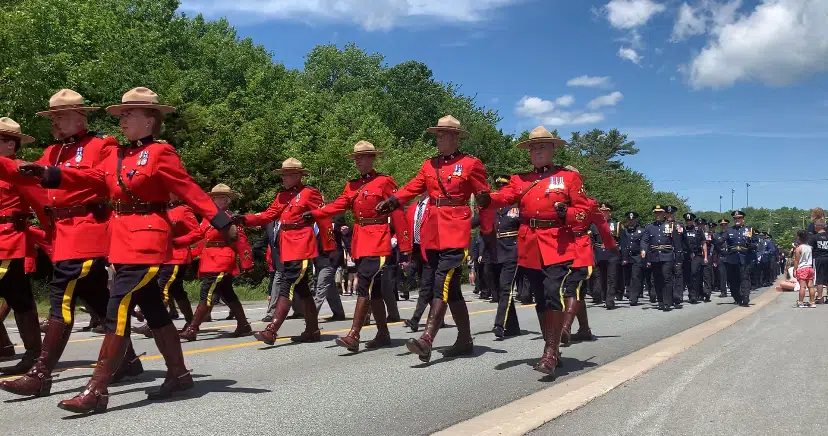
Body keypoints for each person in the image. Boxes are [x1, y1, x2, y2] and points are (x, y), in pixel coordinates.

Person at [15, 87, 239, 413]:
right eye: (120, 115)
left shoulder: (161, 153)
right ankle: (178, 373)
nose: (122, 120)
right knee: (154, 309)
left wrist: (222, 222)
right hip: (122, 243)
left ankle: (96, 389)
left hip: (148, 242)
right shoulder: (117, 154)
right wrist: (50, 173)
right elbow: (90, 178)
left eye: (129, 114)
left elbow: (189, 191)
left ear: (150, 119)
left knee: (116, 310)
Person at [0, 91, 143, 396]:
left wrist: (53, 173)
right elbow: (26, 178)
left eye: (60, 116)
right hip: (64, 234)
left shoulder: (102, 144)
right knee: (99, 302)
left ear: (80, 116)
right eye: (51, 117)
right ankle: (128, 360)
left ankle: (40, 374)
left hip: (86, 231)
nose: (54, 122)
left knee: (60, 299)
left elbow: (99, 179)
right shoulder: (52, 151)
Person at [376, 115, 493, 363]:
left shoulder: (471, 164)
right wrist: (395, 200)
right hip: (433, 232)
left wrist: (488, 229)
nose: (438, 139)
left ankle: (427, 339)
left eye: (443, 135)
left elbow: (485, 198)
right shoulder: (430, 165)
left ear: (455, 137)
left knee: (443, 284)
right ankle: (465, 340)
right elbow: (414, 186)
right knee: (453, 294)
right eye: (437, 135)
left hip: (456, 230)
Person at [481, 126, 590, 375]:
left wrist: (568, 213)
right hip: (530, 243)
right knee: (540, 297)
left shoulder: (569, 178)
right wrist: (488, 198)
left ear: (553, 149)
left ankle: (550, 353)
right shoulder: (519, 179)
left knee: (553, 292)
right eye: (533, 147)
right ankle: (552, 348)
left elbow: (583, 213)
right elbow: (505, 196)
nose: (537, 151)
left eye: (542, 146)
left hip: (558, 243)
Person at [306, 140, 411, 352]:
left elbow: (398, 213)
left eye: (363, 157)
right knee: (376, 292)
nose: (359, 161)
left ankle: (354, 334)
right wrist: (316, 213)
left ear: (373, 159)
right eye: (356, 158)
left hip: (379, 239)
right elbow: (337, 205)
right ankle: (383, 334)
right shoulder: (351, 185)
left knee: (364, 284)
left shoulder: (384, 182)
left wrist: (405, 244)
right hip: (361, 240)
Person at [235, 158, 336, 345]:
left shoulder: (310, 193)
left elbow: (323, 218)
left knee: (287, 285)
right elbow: (267, 215)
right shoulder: (282, 196)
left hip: (302, 245)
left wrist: (329, 246)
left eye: (287, 174)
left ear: (297, 175)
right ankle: (313, 330)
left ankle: (271, 330)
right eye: (282, 174)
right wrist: (245, 219)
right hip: (287, 245)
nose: (283, 178)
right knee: (302, 290)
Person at [178, 184, 253, 341]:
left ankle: (192, 328)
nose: (216, 200)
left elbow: (242, 242)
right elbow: (198, 234)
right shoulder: (208, 217)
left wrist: (246, 262)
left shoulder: (230, 218)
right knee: (227, 293)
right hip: (210, 259)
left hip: (222, 259)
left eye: (220, 197)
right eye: (214, 197)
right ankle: (244, 324)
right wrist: (176, 242)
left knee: (207, 293)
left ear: (226, 200)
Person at [0, 118, 42, 375]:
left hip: (10, 242)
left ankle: (35, 353)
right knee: (17, 297)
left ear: (10, 145)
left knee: (20, 298)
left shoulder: (21, 171)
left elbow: (41, 204)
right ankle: (5, 346)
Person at [134, 192, 201, 336]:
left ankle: (153, 325)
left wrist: (179, 241)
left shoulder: (183, 210)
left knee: (161, 289)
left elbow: (198, 232)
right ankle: (191, 322)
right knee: (176, 290)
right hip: (162, 257)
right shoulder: (159, 210)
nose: (168, 195)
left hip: (177, 256)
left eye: (172, 193)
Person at [561, 195, 616, 346]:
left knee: (573, 287)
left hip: (581, 249)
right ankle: (584, 330)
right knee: (579, 291)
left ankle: (565, 328)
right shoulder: (555, 202)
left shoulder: (589, 204)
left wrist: (610, 245)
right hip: (560, 249)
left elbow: (603, 225)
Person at [485, 175, 521, 339]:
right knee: (499, 289)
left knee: (506, 288)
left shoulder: (516, 207)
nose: (501, 190)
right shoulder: (492, 208)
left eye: (503, 187)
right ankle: (513, 326)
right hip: (495, 252)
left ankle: (499, 325)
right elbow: (477, 220)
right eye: (498, 187)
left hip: (512, 250)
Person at [402, 196, 431, 332]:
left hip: (431, 249)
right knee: (425, 285)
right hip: (416, 250)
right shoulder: (413, 207)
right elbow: (406, 227)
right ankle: (439, 318)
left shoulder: (434, 203)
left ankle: (415, 319)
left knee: (425, 286)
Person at [641, 205, 677, 311]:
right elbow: (645, 240)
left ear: (664, 214)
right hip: (654, 255)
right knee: (657, 279)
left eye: (660, 213)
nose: (657, 215)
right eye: (656, 213)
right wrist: (643, 250)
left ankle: (667, 302)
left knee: (666, 277)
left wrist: (678, 257)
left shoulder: (670, 225)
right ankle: (660, 301)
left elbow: (676, 242)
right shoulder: (649, 227)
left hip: (667, 255)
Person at [719, 210, 757, 307]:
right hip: (732, 258)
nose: (737, 220)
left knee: (744, 277)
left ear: (743, 219)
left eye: (739, 218)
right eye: (735, 218)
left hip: (745, 257)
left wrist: (751, 245)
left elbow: (756, 243)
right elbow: (721, 240)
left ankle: (745, 297)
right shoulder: (729, 230)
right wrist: (721, 250)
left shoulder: (748, 230)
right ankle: (737, 297)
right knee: (733, 280)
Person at [591, 203, 621, 309]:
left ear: (610, 212)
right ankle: (603, 296)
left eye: (606, 211)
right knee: (601, 278)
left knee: (611, 278)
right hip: (599, 254)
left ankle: (610, 300)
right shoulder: (594, 225)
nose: (603, 213)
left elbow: (622, 241)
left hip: (612, 254)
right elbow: (592, 242)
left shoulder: (616, 224)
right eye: (602, 211)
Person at [682, 213, 707, 304]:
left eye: (690, 220)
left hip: (696, 255)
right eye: (687, 220)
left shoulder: (698, 230)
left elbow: (704, 243)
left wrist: (705, 256)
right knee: (687, 275)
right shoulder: (682, 230)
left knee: (694, 273)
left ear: (693, 221)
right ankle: (690, 293)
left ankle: (694, 294)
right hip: (686, 255)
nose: (689, 222)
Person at [621, 211, 646, 305]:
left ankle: (634, 297)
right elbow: (623, 245)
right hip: (627, 256)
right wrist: (623, 257)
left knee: (636, 276)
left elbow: (643, 243)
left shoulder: (641, 230)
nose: (631, 221)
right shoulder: (624, 231)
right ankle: (629, 292)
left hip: (637, 256)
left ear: (635, 220)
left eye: (632, 219)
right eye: (629, 219)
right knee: (627, 277)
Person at [808, 218, 828, 304]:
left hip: (818, 259)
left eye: (815, 225)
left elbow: (810, 249)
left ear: (818, 226)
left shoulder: (813, 237)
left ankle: (820, 297)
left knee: (819, 279)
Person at [794, 230, 815, 308]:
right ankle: (812, 302)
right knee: (810, 286)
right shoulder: (810, 248)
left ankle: (801, 302)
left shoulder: (798, 248)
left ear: (799, 238)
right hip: (810, 268)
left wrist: (795, 269)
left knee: (802, 287)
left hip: (802, 268)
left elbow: (796, 260)